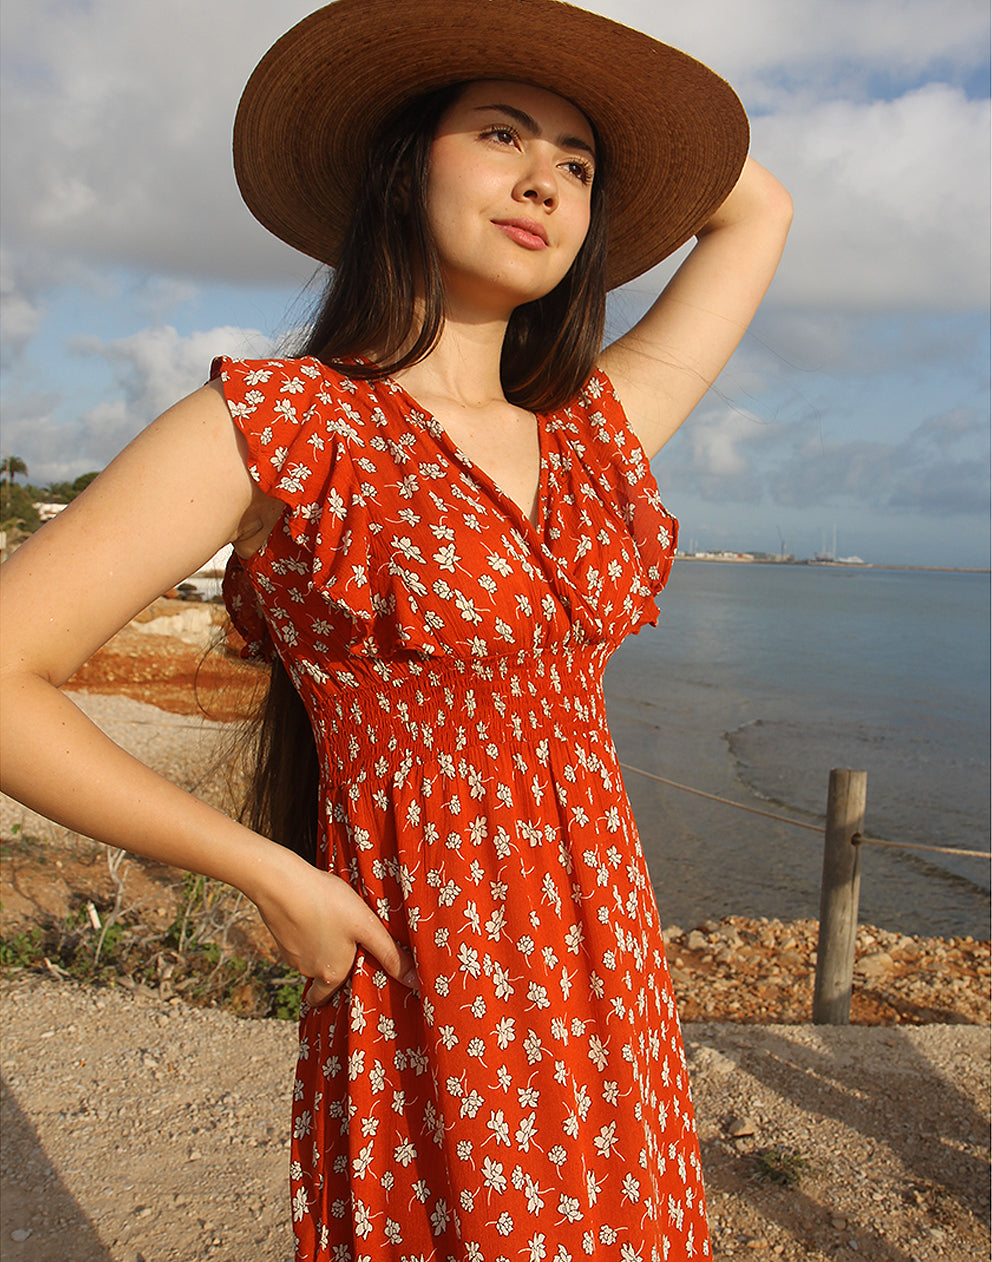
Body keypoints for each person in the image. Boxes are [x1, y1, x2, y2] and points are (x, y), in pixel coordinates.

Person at [0, 0, 792, 1257]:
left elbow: (757, 208)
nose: (544, 177)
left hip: (608, 970)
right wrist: (271, 874)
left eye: (579, 165)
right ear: (401, 158)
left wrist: (625, 87)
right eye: (500, 132)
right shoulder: (285, 426)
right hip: (426, 971)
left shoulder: (590, 435)